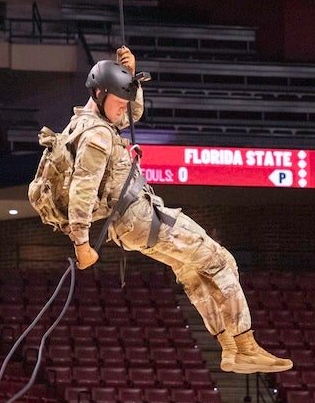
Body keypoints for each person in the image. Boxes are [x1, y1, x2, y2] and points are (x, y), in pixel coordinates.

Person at [53, 47, 292, 374]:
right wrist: (80, 243)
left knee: (191, 271)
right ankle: (245, 345)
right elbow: (82, 187)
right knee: (220, 260)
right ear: (98, 93)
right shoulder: (96, 135)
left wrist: (132, 76)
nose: (123, 109)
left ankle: (229, 349)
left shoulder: (90, 120)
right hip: (139, 217)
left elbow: (131, 115)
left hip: (132, 223)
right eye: (119, 101)